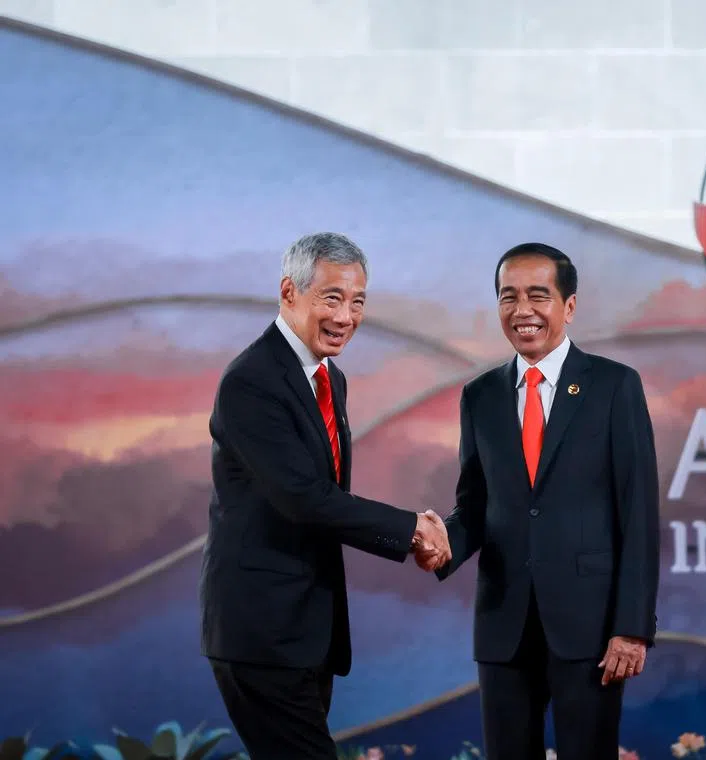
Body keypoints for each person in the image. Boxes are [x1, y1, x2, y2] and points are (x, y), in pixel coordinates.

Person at [199, 232, 451, 759]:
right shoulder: (253, 381)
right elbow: (305, 498)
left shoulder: (327, 377)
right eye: (332, 298)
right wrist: (411, 530)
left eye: (358, 301)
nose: (346, 316)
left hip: (307, 630)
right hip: (262, 633)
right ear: (290, 292)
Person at [432, 242, 661, 760]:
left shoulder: (613, 387)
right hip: (503, 624)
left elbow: (639, 513)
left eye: (539, 295)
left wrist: (632, 627)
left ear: (569, 306)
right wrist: (441, 543)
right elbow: (474, 505)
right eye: (508, 297)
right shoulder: (480, 395)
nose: (522, 311)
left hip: (591, 627)